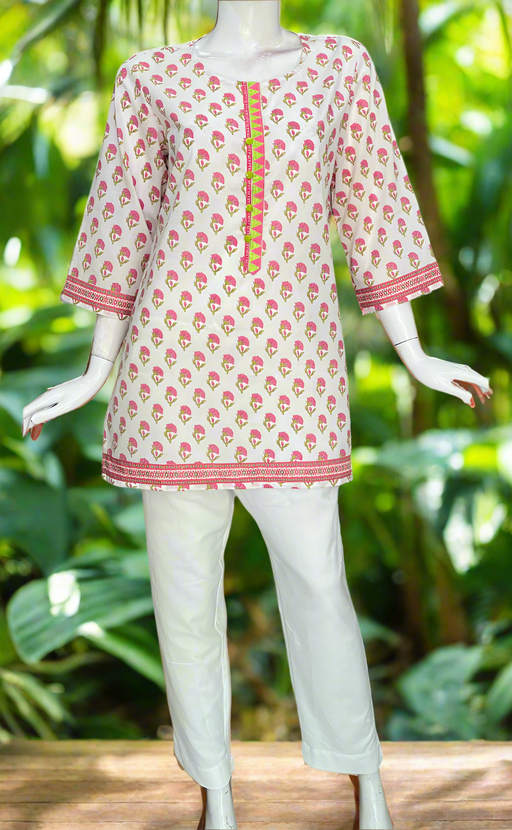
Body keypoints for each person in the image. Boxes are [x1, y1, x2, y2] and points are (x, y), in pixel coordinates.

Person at [22, 9, 492, 829]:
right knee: (185, 603)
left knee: (320, 585)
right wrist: (96, 370)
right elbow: (123, 224)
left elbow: (372, 203)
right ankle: (217, 795)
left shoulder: (339, 68)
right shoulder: (152, 79)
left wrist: (415, 353)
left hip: (295, 374)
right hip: (172, 376)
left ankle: (368, 782)